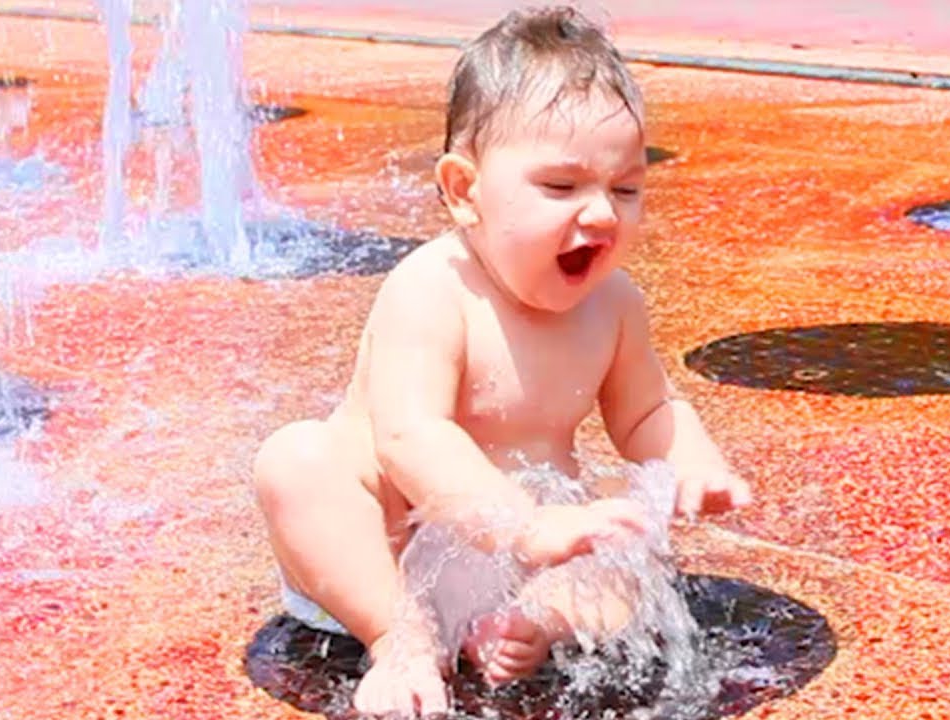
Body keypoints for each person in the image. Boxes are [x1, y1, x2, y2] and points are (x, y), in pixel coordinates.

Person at [252, 5, 751, 716]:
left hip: (527, 559)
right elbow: (410, 437)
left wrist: (692, 464)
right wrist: (520, 525)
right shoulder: (433, 289)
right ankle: (399, 638)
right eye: (561, 187)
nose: (602, 214)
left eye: (626, 188)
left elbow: (649, 410)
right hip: (390, 556)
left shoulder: (614, 305)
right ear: (465, 192)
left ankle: (532, 624)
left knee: (632, 541)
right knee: (297, 461)